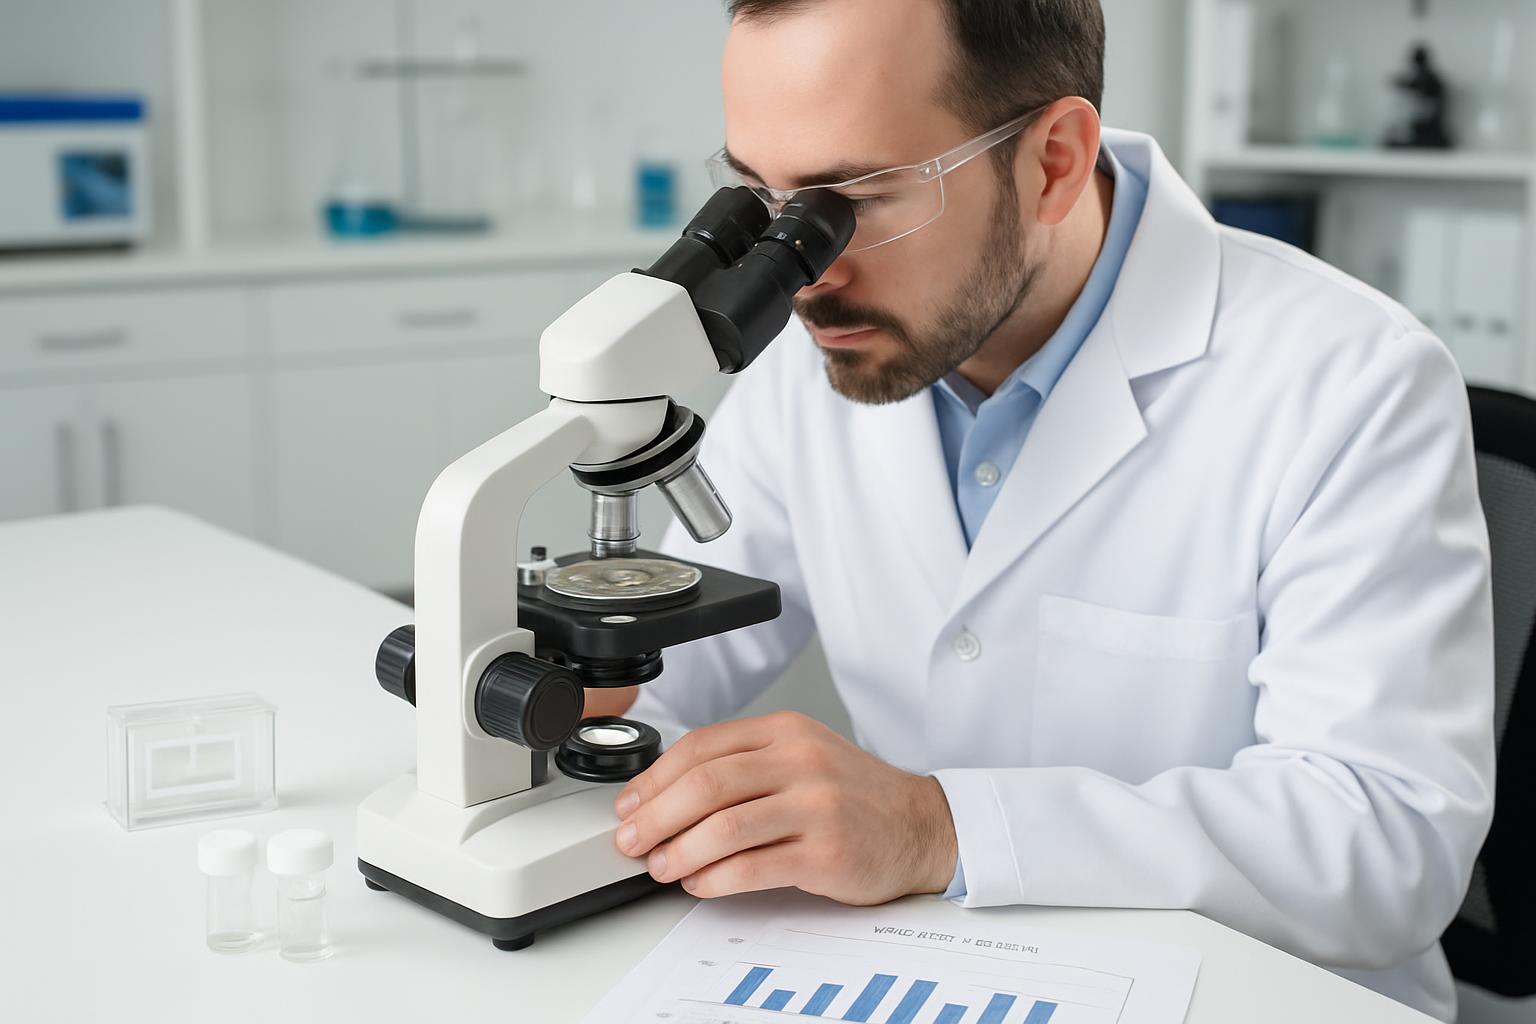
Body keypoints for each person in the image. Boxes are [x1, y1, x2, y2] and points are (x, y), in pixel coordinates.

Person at [584, 1, 1495, 1019]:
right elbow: (657, 686)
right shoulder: (823, 362)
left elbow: (1388, 841)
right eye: (765, 202)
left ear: (1054, 161)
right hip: (946, 973)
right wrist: (576, 708)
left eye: (859, 198)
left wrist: (938, 827)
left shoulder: (1351, 380)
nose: (806, 276)